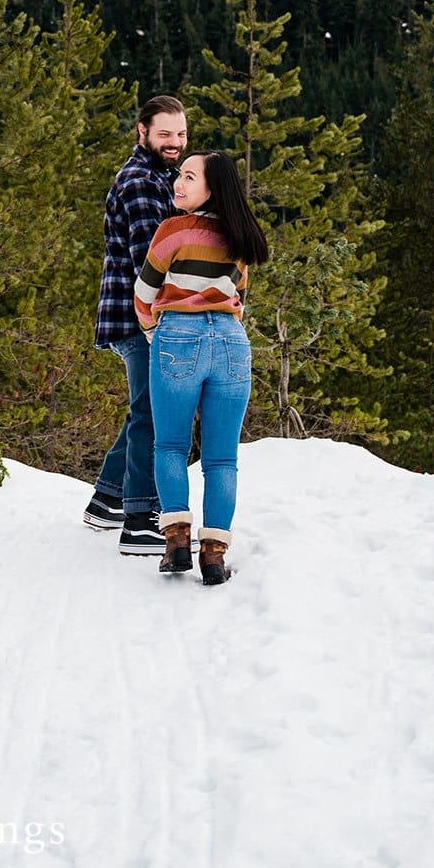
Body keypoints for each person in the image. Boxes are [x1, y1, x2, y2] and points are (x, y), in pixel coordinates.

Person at [134, 150, 269, 584]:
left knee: (170, 446)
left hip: (178, 336)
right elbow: (240, 298)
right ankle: (213, 555)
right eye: (179, 175)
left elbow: (143, 292)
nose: (178, 182)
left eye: (189, 177)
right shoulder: (239, 237)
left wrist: (156, 333)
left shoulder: (173, 230)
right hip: (231, 342)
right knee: (221, 459)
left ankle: (176, 541)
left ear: (212, 188)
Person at [84, 94, 187, 555]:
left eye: (181, 134)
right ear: (142, 132)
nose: (174, 142)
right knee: (152, 413)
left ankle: (108, 499)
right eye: (164, 133)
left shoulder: (161, 177)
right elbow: (154, 262)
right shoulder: (142, 182)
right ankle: (139, 519)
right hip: (142, 315)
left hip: (139, 314)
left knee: (144, 408)